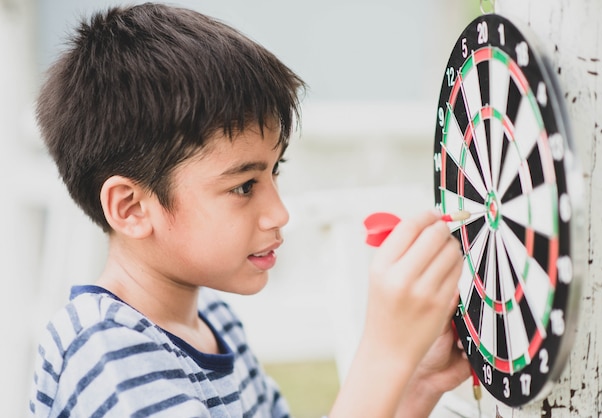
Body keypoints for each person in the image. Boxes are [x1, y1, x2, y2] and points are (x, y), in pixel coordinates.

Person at [29, 3, 469, 417]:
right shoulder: (107, 354)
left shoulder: (215, 324)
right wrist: (385, 354)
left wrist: (415, 386)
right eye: (244, 186)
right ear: (131, 208)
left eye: (274, 172)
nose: (278, 213)